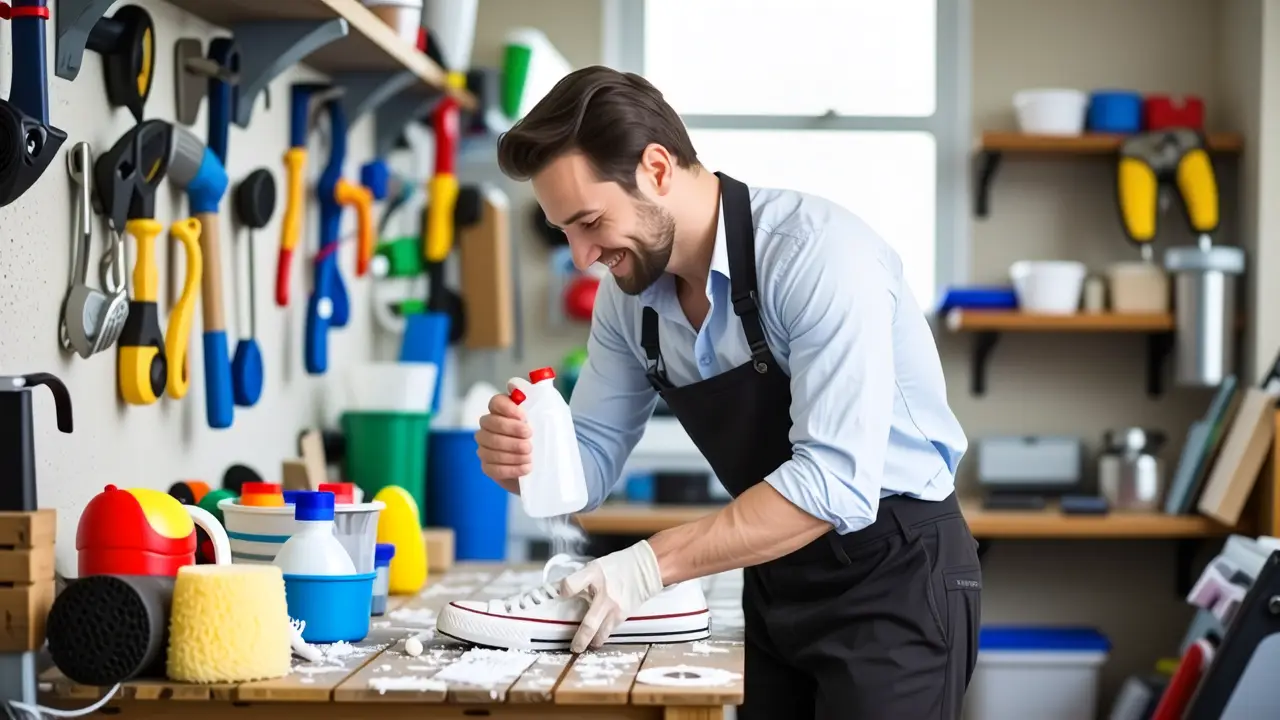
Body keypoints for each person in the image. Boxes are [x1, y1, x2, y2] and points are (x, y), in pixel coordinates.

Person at [476, 65, 980, 719]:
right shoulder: (630, 304)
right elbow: (590, 461)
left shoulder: (817, 256)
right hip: (775, 577)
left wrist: (647, 565)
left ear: (657, 169)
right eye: (564, 232)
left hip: (896, 572)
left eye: (590, 222)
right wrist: (527, 458)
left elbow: (835, 481)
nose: (582, 257)